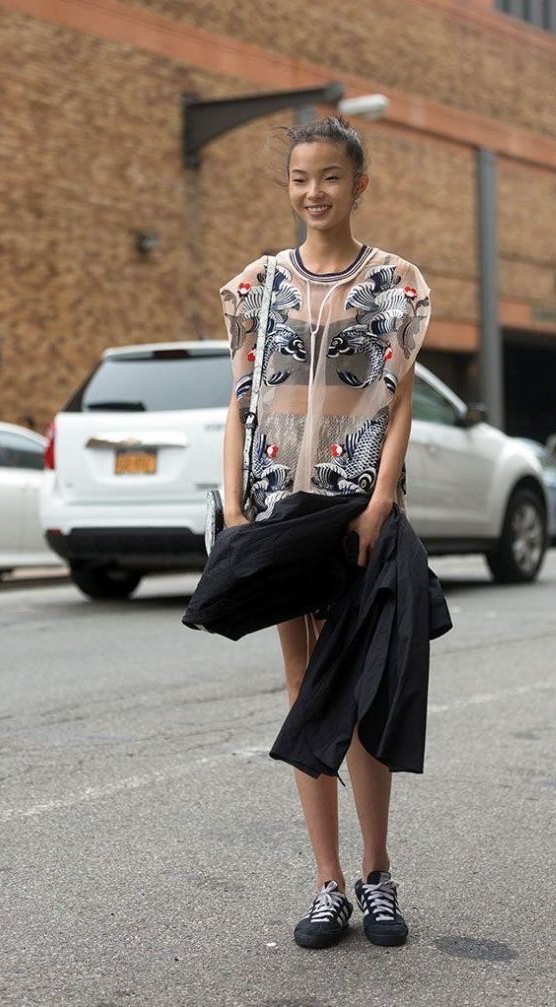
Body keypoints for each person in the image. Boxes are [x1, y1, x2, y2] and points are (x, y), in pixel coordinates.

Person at [219, 114, 434, 949]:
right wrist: (234, 509)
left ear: (359, 184)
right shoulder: (257, 285)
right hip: (277, 510)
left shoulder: (395, 283)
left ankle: (377, 874)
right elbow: (239, 400)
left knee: (365, 684)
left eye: (331, 177)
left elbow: (400, 400)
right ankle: (327, 883)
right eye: (300, 178)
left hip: (355, 511)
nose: (314, 192)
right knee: (305, 683)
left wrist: (380, 503)